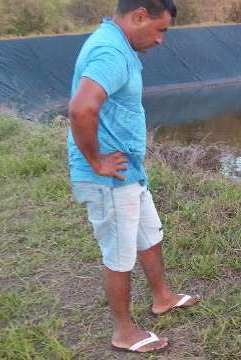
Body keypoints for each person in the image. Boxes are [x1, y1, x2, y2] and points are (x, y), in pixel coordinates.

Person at [67, 0, 199, 353]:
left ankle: (162, 297)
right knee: (120, 253)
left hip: (129, 173)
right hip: (110, 180)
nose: (160, 40)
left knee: (149, 232)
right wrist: (97, 162)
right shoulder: (111, 51)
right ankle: (123, 332)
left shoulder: (116, 44)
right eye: (160, 29)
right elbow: (81, 109)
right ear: (139, 15)